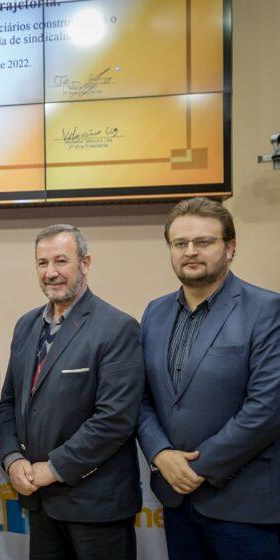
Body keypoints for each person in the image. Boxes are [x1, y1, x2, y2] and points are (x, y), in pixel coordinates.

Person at [137, 197, 280, 559]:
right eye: (180, 243)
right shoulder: (155, 312)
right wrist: (160, 452)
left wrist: (196, 467)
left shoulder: (266, 310)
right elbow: (140, 397)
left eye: (203, 242)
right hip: (175, 501)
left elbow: (266, 410)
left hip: (244, 506)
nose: (190, 252)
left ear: (230, 248)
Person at [0, 224, 144, 560]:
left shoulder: (117, 327)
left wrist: (54, 467)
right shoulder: (27, 325)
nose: (51, 272)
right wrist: (12, 459)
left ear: (85, 264)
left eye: (61, 261)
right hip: (40, 503)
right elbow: (9, 404)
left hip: (96, 505)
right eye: (42, 263)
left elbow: (115, 419)